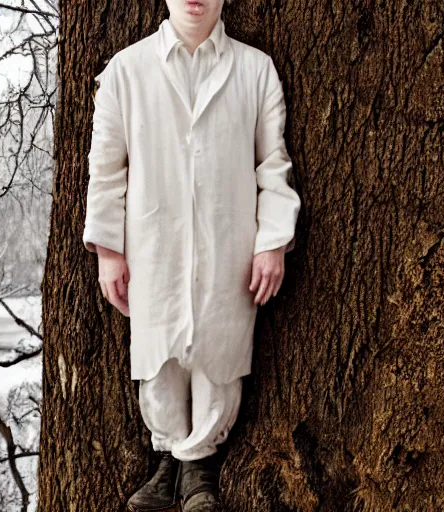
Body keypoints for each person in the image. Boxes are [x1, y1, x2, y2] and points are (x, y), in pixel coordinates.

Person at [82, 0, 301, 510]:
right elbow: (106, 169)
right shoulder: (127, 70)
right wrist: (108, 250)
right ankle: (169, 458)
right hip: (153, 243)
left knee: (218, 352)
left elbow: (273, 166)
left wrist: (272, 241)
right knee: (158, 355)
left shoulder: (254, 69)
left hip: (228, 245)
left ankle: (197, 466)